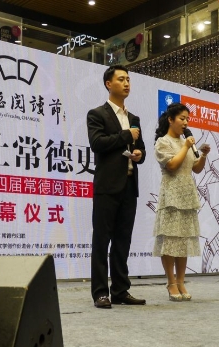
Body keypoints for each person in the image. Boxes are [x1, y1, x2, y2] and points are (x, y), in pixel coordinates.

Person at [86, 65, 147, 309]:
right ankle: (100, 292)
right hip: (107, 187)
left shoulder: (134, 119)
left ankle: (121, 290)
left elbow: (140, 150)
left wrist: (139, 154)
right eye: (121, 79)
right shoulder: (96, 114)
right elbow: (97, 143)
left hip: (129, 186)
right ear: (108, 84)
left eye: (128, 79)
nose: (127, 83)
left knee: (123, 241)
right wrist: (126, 135)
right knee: (102, 241)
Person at [153, 103, 211, 301]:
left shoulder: (186, 143)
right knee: (170, 240)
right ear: (171, 120)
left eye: (187, 119)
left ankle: (181, 282)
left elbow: (196, 168)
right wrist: (186, 146)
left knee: (183, 240)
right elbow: (171, 165)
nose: (186, 123)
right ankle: (171, 283)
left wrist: (203, 155)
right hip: (171, 195)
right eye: (182, 118)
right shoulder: (163, 142)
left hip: (187, 194)